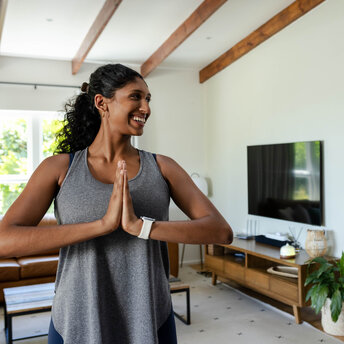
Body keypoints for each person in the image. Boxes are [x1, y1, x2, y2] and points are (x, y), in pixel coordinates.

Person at [0, 64, 233, 344]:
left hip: (149, 316)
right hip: (76, 318)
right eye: (136, 97)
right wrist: (101, 225)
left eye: (148, 99)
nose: (146, 108)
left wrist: (141, 227)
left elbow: (220, 231)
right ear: (102, 102)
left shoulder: (163, 167)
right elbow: (5, 239)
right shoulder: (59, 168)